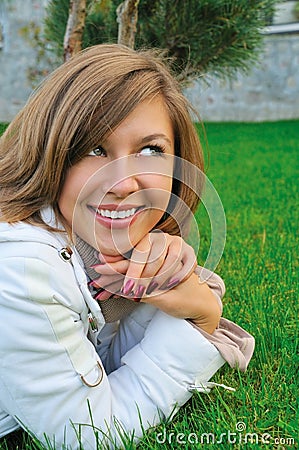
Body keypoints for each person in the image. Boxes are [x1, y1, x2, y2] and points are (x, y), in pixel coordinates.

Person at [0, 44, 254, 449]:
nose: (123, 183)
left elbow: (101, 362)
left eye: (150, 151)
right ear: (48, 153)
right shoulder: (21, 269)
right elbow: (88, 435)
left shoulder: (85, 244)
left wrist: (165, 285)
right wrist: (202, 322)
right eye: (93, 149)